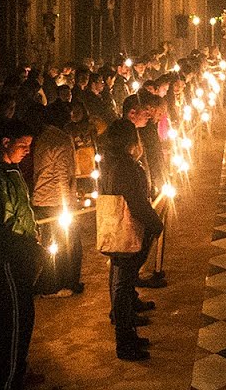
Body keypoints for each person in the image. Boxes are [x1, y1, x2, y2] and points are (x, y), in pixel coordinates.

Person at [0, 120, 43, 390]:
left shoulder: (11, 170)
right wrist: (23, 245)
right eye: (22, 145)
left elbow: (22, 209)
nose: (27, 151)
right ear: (5, 142)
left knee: (24, 316)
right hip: (8, 257)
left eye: (30, 146)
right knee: (14, 319)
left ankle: (18, 371)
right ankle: (9, 380)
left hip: (22, 252)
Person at [98, 120, 165, 361]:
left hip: (115, 230)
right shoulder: (124, 166)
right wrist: (155, 223)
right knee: (123, 286)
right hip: (125, 231)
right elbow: (135, 201)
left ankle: (128, 334)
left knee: (122, 283)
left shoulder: (109, 162)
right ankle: (125, 342)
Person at [29, 104, 83, 297]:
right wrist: (69, 204)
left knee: (52, 244)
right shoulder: (60, 140)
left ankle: (56, 282)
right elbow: (62, 175)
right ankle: (58, 284)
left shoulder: (44, 137)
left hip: (43, 198)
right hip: (56, 201)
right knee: (65, 245)